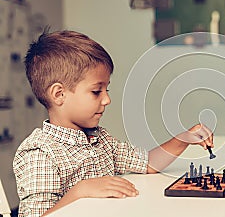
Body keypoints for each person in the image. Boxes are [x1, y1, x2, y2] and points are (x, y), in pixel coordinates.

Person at [13, 30, 214, 217]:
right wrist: (80, 192)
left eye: (106, 89)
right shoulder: (40, 154)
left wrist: (183, 139)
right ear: (59, 94)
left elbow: (148, 163)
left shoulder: (102, 140)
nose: (107, 99)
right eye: (96, 91)